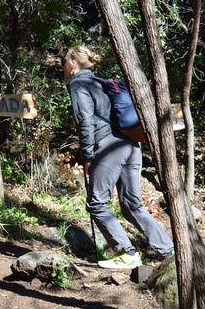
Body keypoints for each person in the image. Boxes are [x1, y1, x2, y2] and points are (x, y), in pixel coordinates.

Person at [63, 46, 174, 269]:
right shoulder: (101, 82)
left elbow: (84, 120)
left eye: (64, 61)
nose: (62, 66)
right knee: (132, 205)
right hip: (131, 145)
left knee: (96, 204)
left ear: (74, 63)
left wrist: (87, 155)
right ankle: (170, 252)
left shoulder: (77, 83)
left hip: (108, 147)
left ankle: (127, 253)